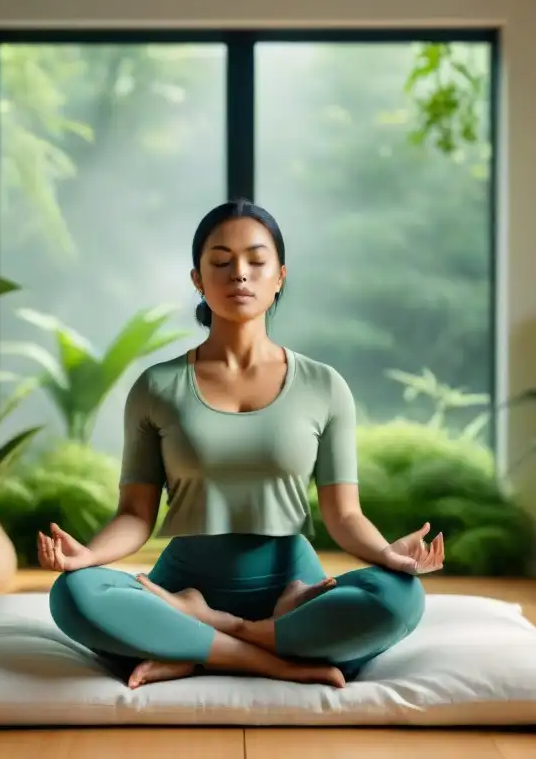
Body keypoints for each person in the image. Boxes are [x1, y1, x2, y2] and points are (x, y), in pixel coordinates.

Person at [38, 199, 445, 690]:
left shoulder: (324, 385)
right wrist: (86, 558)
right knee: (74, 594)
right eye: (221, 261)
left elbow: (345, 515)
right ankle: (268, 654)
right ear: (197, 279)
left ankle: (202, 640)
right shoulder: (156, 387)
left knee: (400, 599)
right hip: (181, 584)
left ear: (280, 276)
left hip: (295, 591)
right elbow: (135, 514)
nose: (240, 275)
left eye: (256, 260)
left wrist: (390, 555)